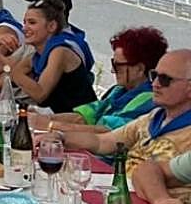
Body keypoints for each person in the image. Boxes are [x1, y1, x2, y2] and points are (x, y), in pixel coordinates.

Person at [60, 49, 191, 175]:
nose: (155, 84)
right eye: (154, 76)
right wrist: (60, 138)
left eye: (165, 79)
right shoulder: (155, 117)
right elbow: (103, 142)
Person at [33, 27, 165, 134]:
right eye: (113, 63)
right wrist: (41, 118)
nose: (113, 70)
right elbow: (84, 117)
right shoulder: (118, 91)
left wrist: (49, 124)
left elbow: (108, 132)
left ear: (140, 68)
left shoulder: (149, 100)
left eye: (118, 66)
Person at [0, 0, 95, 113]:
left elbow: (40, 94)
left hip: (84, 118)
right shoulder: (35, 54)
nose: (24, 28)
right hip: (56, 117)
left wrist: (4, 64)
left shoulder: (60, 52)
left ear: (51, 26)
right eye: (24, 23)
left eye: (32, 23)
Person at [18, 0, 95, 72]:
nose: (24, 28)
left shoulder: (60, 47)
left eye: (32, 22)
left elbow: (13, 69)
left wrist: (16, 73)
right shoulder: (74, 39)